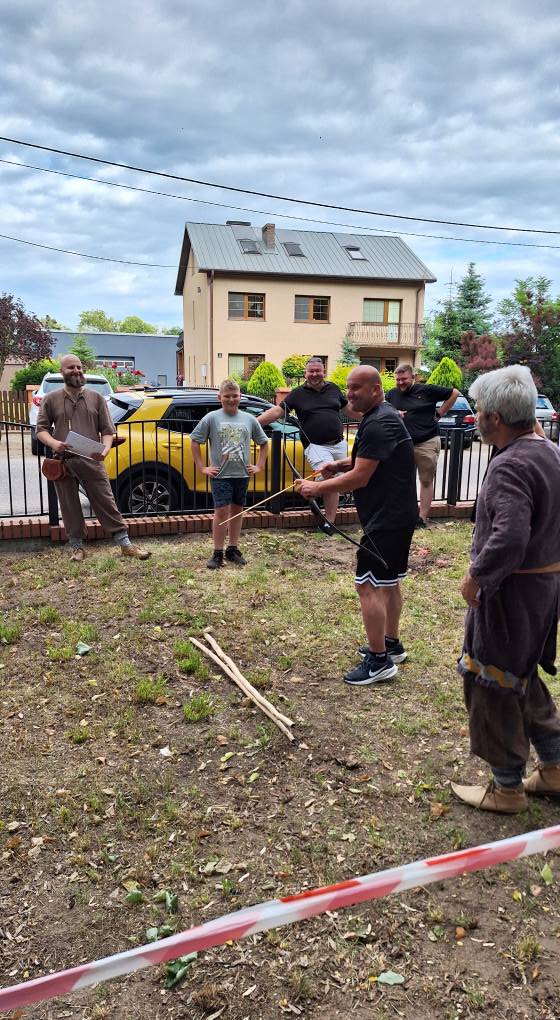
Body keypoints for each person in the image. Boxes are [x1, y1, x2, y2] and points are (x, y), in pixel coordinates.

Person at [452, 365, 560, 813]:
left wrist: (477, 577)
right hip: (543, 589)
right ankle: (554, 768)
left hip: (512, 594)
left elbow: (510, 537)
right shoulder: (549, 451)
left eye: (478, 410)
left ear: (495, 417)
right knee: (522, 674)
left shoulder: (510, 464)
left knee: (491, 679)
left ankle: (507, 788)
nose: (475, 416)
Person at [296, 365, 417, 686]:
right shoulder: (381, 416)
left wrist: (316, 488)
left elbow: (360, 477)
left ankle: (379, 662)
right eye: (348, 387)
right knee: (388, 582)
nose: (349, 394)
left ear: (376, 389)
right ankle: (391, 645)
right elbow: (370, 458)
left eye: (356, 388)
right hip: (397, 515)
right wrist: (338, 464)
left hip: (388, 518)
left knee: (367, 584)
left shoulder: (378, 422)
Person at [35, 354, 150, 562]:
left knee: (106, 501)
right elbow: (41, 430)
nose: (76, 371)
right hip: (63, 461)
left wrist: (105, 450)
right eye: (71, 368)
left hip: (91, 458)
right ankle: (77, 548)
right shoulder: (50, 399)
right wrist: (54, 444)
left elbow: (107, 431)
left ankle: (125, 545)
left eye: (79, 367)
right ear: (62, 372)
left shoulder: (96, 398)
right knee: (69, 505)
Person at [257, 356, 349, 535]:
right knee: (329, 476)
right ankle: (327, 517)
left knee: (338, 481)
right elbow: (277, 411)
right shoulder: (298, 393)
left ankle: (315, 497)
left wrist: (378, 414)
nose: (314, 374)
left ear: (324, 371)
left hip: (339, 444)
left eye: (318, 371)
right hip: (315, 446)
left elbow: (349, 409)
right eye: (311, 371)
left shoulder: (334, 389)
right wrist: (253, 423)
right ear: (305, 373)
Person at [190, 379, 269, 569]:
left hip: (242, 474)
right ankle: (217, 552)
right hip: (220, 475)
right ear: (220, 398)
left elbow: (264, 443)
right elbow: (195, 441)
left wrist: (259, 466)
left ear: (240, 396)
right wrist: (202, 467)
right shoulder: (211, 418)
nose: (231, 399)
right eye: (227, 396)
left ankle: (232, 549)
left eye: (235, 396)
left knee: (237, 510)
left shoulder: (249, 419)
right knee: (221, 511)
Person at [386, 363, 460, 528]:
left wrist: (440, 412)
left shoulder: (427, 390)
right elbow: (385, 409)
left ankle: (422, 518)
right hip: (402, 444)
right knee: (402, 481)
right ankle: (404, 514)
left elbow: (454, 393)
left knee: (425, 480)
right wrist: (395, 413)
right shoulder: (391, 394)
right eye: (398, 379)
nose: (400, 382)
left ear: (413, 377)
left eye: (404, 379)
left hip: (426, 442)